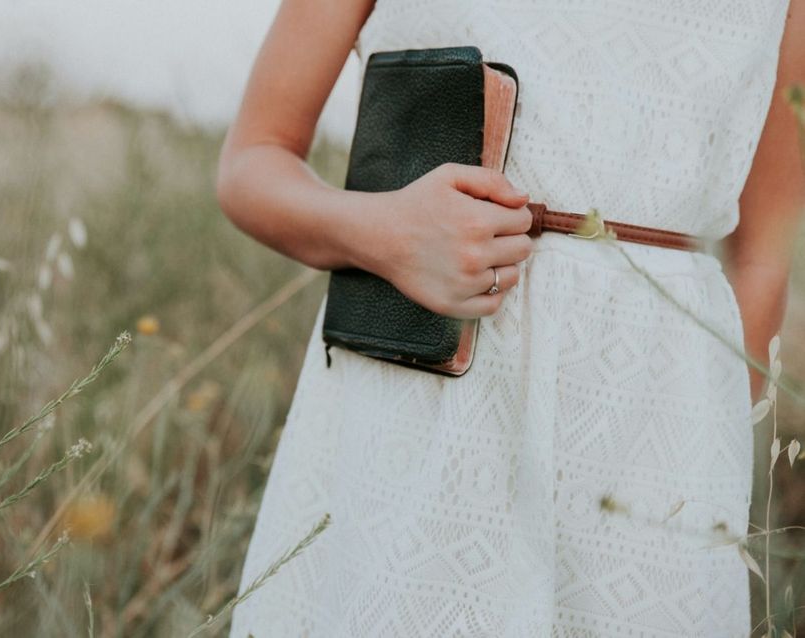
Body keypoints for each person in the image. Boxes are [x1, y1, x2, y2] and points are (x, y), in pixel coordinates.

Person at [215, 0, 805, 635]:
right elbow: (253, 160)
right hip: (418, 414)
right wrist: (384, 231)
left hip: (659, 438)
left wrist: (704, 453)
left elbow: (766, 258)